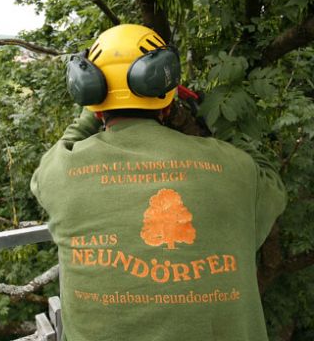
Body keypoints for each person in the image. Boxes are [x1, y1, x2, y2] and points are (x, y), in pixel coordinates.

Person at [31, 24, 287, 341]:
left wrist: (91, 110)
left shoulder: (61, 172)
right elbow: (271, 184)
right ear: (167, 100)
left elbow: (56, 157)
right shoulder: (235, 168)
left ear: (89, 95)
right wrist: (218, 125)